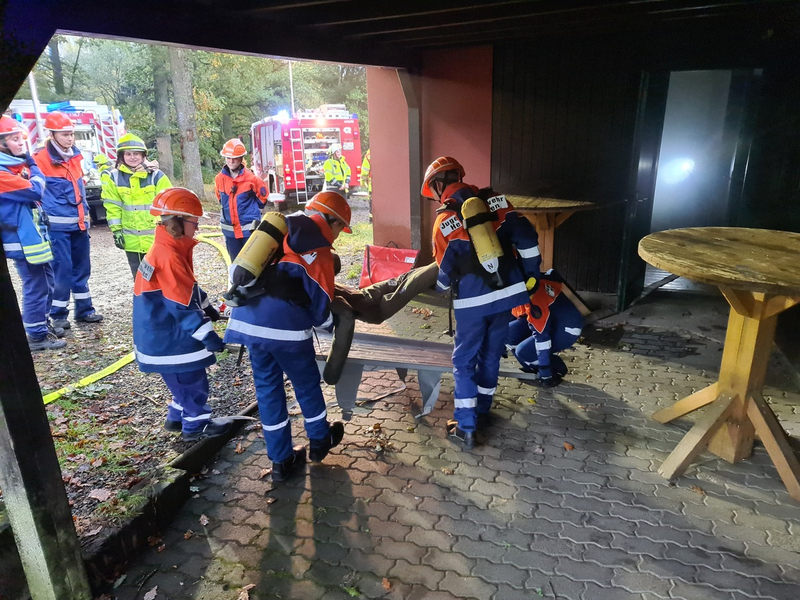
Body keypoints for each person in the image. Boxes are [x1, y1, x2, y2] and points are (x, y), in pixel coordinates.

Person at [224, 191, 350, 482]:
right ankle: (320, 441)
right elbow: (320, 305)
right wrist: (333, 324)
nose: (338, 236)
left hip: (250, 325)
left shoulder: (276, 231)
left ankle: (281, 462)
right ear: (332, 222)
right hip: (287, 331)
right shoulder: (318, 248)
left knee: (268, 390)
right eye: (340, 228)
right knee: (306, 385)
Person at [423, 156, 542, 449]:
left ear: (437, 186)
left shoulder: (444, 220)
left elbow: (444, 271)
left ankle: (466, 427)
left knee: (464, 361)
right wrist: (531, 276)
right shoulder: (497, 202)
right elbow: (527, 238)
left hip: (471, 304)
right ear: (460, 176)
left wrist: (440, 288)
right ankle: (483, 411)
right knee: (491, 353)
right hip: (505, 295)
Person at [133, 187, 233, 441]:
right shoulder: (168, 255)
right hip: (169, 337)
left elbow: (188, 288)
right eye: (194, 222)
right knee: (191, 381)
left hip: (161, 331)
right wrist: (209, 337)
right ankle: (196, 426)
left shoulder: (168, 247)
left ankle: (176, 417)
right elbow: (182, 305)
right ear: (177, 222)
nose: (197, 228)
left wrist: (208, 308)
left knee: (182, 383)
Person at [0, 115, 65, 351]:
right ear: (2, 144)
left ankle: (41, 325)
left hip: (32, 240)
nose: (21, 143)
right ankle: (36, 336)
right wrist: (35, 166)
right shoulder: (3, 174)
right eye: (15, 139)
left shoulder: (14, 169)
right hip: (22, 243)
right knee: (36, 286)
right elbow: (36, 191)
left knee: (46, 283)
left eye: (21, 138)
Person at [33, 111, 103, 329]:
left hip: (79, 225)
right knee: (61, 271)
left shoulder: (75, 157)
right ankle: (58, 315)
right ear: (52, 135)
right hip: (57, 228)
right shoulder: (40, 159)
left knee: (82, 269)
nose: (70, 138)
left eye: (71, 134)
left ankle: (85, 310)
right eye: (65, 134)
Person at [102, 134, 172, 277]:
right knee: (140, 278)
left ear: (143, 155)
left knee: (163, 276)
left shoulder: (156, 176)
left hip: (157, 239)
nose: (132, 157)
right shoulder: (114, 177)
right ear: (121, 156)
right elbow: (113, 206)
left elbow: (169, 204)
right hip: (132, 241)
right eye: (128, 154)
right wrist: (116, 231)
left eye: (136, 154)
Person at [507, 271, 583, 386]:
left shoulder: (535, 301)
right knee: (506, 333)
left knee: (523, 352)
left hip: (567, 329)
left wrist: (545, 373)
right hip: (552, 318)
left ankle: (554, 370)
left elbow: (542, 338)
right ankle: (531, 367)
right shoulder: (526, 284)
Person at [215, 138, 268, 260]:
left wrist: (252, 213)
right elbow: (220, 198)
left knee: (252, 263)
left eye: (235, 158)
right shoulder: (219, 179)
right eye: (228, 158)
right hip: (230, 232)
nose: (231, 161)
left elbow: (263, 198)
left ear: (241, 158)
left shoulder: (252, 179)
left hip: (248, 231)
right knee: (235, 263)